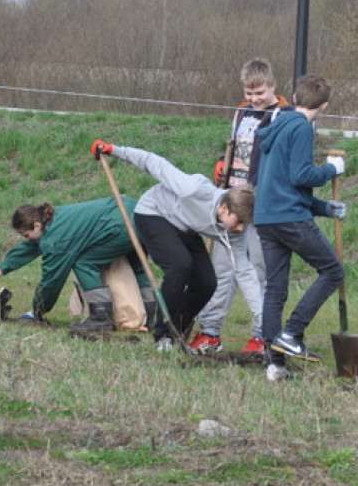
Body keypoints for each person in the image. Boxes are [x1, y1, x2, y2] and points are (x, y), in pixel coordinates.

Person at [91, 140, 255, 352]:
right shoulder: (193, 189)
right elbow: (153, 162)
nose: (241, 229)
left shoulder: (232, 230)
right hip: (154, 213)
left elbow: (245, 270)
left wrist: (263, 321)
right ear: (224, 208)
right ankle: (162, 335)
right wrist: (115, 150)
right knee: (179, 265)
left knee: (207, 282)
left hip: (184, 225)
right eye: (239, 222)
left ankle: (176, 330)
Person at [193, 58, 290, 354]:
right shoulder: (240, 112)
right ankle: (210, 332)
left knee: (260, 269)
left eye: (260, 92)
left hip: (262, 207)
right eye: (249, 93)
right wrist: (223, 166)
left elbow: (281, 163)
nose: (254, 98)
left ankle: (262, 335)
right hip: (231, 205)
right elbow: (235, 151)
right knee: (222, 269)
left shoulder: (284, 116)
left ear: (272, 86)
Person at [253, 74, 345, 381]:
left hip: (266, 217)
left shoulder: (276, 126)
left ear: (293, 97)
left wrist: (323, 208)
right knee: (333, 271)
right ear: (325, 106)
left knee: (275, 288)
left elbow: (282, 181)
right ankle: (291, 333)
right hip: (289, 217)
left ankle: (274, 363)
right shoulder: (303, 128)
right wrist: (332, 169)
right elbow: (302, 175)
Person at [0, 197, 155, 329]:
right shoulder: (53, 218)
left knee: (84, 263)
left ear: (36, 226)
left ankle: (101, 318)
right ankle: (151, 317)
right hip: (138, 213)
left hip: (120, 225)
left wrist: (38, 311)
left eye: (25, 235)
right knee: (138, 267)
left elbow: (51, 282)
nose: (26, 239)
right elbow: (29, 248)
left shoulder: (56, 240)